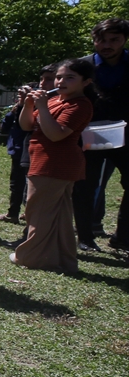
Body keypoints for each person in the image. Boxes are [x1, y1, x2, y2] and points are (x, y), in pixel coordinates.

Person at [10, 58, 97, 274]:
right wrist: (28, 105)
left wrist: (41, 106)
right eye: (59, 77)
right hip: (42, 161)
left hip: (55, 165)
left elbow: (56, 134)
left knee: (39, 212)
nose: (61, 82)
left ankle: (29, 256)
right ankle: (63, 259)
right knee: (59, 215)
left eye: (70, 78)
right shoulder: (55, 100)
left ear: (86, 82)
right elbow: (27, 125)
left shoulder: (80, 105)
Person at [74, 19, 129, 251]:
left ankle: (123, 238)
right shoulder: (81, 66)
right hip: (89, 135)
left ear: (124, 40)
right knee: (84, 185)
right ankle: (85, 237)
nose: (106, 45)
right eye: (101, 40)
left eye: (114, 40)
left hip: (125, 136)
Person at [0, 64, 57, 225]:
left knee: (33, 191)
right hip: (20, 149)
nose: (43, 83)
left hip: (44, 154)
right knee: (17, 184)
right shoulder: (32, 103)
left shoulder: (56, 103)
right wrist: (24, 103)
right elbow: (21, 125)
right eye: (41, 79)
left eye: (49, 79)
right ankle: (15, 213)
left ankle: (31, 219)